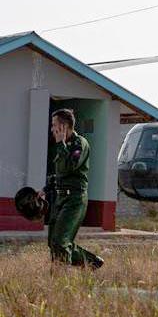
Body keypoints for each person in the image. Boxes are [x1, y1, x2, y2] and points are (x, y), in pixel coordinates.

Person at [44, 109, 104, 269]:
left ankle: (60, 278)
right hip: (60, 198)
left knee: (61, 241)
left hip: (75, 200)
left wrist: (60, 144)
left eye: (54, 125)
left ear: (64, 126)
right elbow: (59, 174)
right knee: (53, 242)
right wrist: (45, 188)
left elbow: (69, 167)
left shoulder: (80, 144)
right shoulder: (62, 146)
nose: (52, 129)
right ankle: (91, 262)